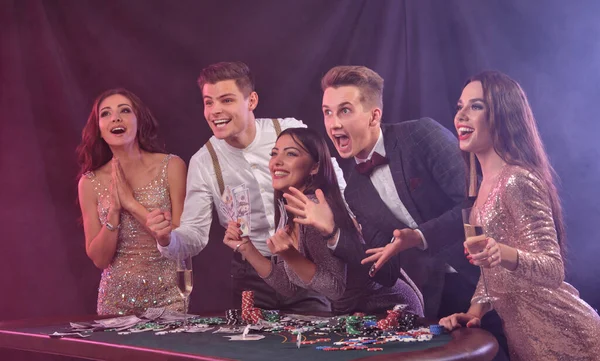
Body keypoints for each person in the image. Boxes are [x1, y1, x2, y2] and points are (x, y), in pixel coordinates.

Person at [147, 62, 346, 312]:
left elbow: (335, 180)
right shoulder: (204, 161)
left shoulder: (286, 130)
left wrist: (337, 232)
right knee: (251, 347)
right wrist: (167, 239)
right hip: (252, 271)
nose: (215, 111)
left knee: (313, 343)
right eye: (209, 102)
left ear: (251, 100)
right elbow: (195, 235)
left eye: (226, 100)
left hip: (306, 262)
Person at [439, 71, 600, 361]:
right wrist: (474, 311)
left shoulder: (517, 180)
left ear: (501, 115)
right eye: (460, 106)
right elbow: (495, 274)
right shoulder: (482, 190)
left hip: (567, 340)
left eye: (476, 106)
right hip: (527, 343)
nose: (461, 115)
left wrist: (501, 251)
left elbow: (553, 269)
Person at [320, 65, 478, 319]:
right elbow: (385, 270)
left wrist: (418, 236)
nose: (334, 123)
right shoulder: (354, 191)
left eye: (344, 111)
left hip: (488, 273)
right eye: (327, 112)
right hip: (439, 296)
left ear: (374, 116)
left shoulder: (420, 135)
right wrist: (332, 231)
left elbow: (476, 204)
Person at [225, 128, 423, 315]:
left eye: (290, 154)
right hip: (353, 314)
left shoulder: (315, 210)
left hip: (389, 308)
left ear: (315, 167)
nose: (276, 162)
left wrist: (290, 255)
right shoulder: (287, 211)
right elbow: (288, 286)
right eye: (274, 153)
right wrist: (246, 248)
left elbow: (335, 288)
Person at [77, 88, 187, 315]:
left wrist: (130, 203)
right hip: (115, 304)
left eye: (125, 111)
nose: (115, 118)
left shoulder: (172, 166)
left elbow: (182, 245)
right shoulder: (89, 183)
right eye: (105, 114)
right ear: (98, 129)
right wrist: (114, 211)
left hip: (169, 300)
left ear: (139, 121)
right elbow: (99, 259)